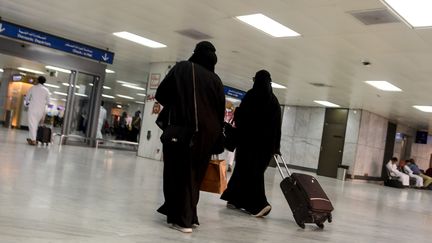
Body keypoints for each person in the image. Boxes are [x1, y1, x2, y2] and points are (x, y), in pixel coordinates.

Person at [155, 41, 225, 233]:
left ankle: (182, 219)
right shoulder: (216, 79)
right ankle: (190, 215)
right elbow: (219, 112)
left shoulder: (183, 68)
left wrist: (179, 102)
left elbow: (161, 94)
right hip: (208, 135)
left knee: (177, 173)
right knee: (194, 176)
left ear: (195, 53)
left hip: (185, 131)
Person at [221, 70, 282, 217]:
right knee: (247, 172)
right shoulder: (274, 102)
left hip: (248, 144)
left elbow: (243, 119)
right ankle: (234, 199)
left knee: (250, 174)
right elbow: (277, 128)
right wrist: (276, 147)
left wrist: (237, 113)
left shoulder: (252, 95)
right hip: (265, 148)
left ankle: (260, 205)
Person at [25, 76, 50, 145]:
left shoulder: (33, 88)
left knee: (32, 124)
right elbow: (48, 102)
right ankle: (31, 138)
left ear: (38, 81)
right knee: (35, 124)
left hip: (32, 109)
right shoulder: (46, 90)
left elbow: (27, 97)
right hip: (41, 110)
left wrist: (27, 103)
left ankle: (33, 140)